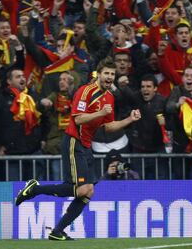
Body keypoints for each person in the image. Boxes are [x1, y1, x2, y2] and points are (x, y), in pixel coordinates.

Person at [15, 58, 141, 241]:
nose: (110, 77)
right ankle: (35, 189)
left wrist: (129, 119)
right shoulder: (85, 91)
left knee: (88, 191)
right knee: (82, 190)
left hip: (86, 145)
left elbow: (109, 126)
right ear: (99, 74)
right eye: (106, 73)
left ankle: (57, 231)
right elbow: (78, 119)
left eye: (112, 74)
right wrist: (101, 113)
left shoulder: (109, 97)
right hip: (74, 141)